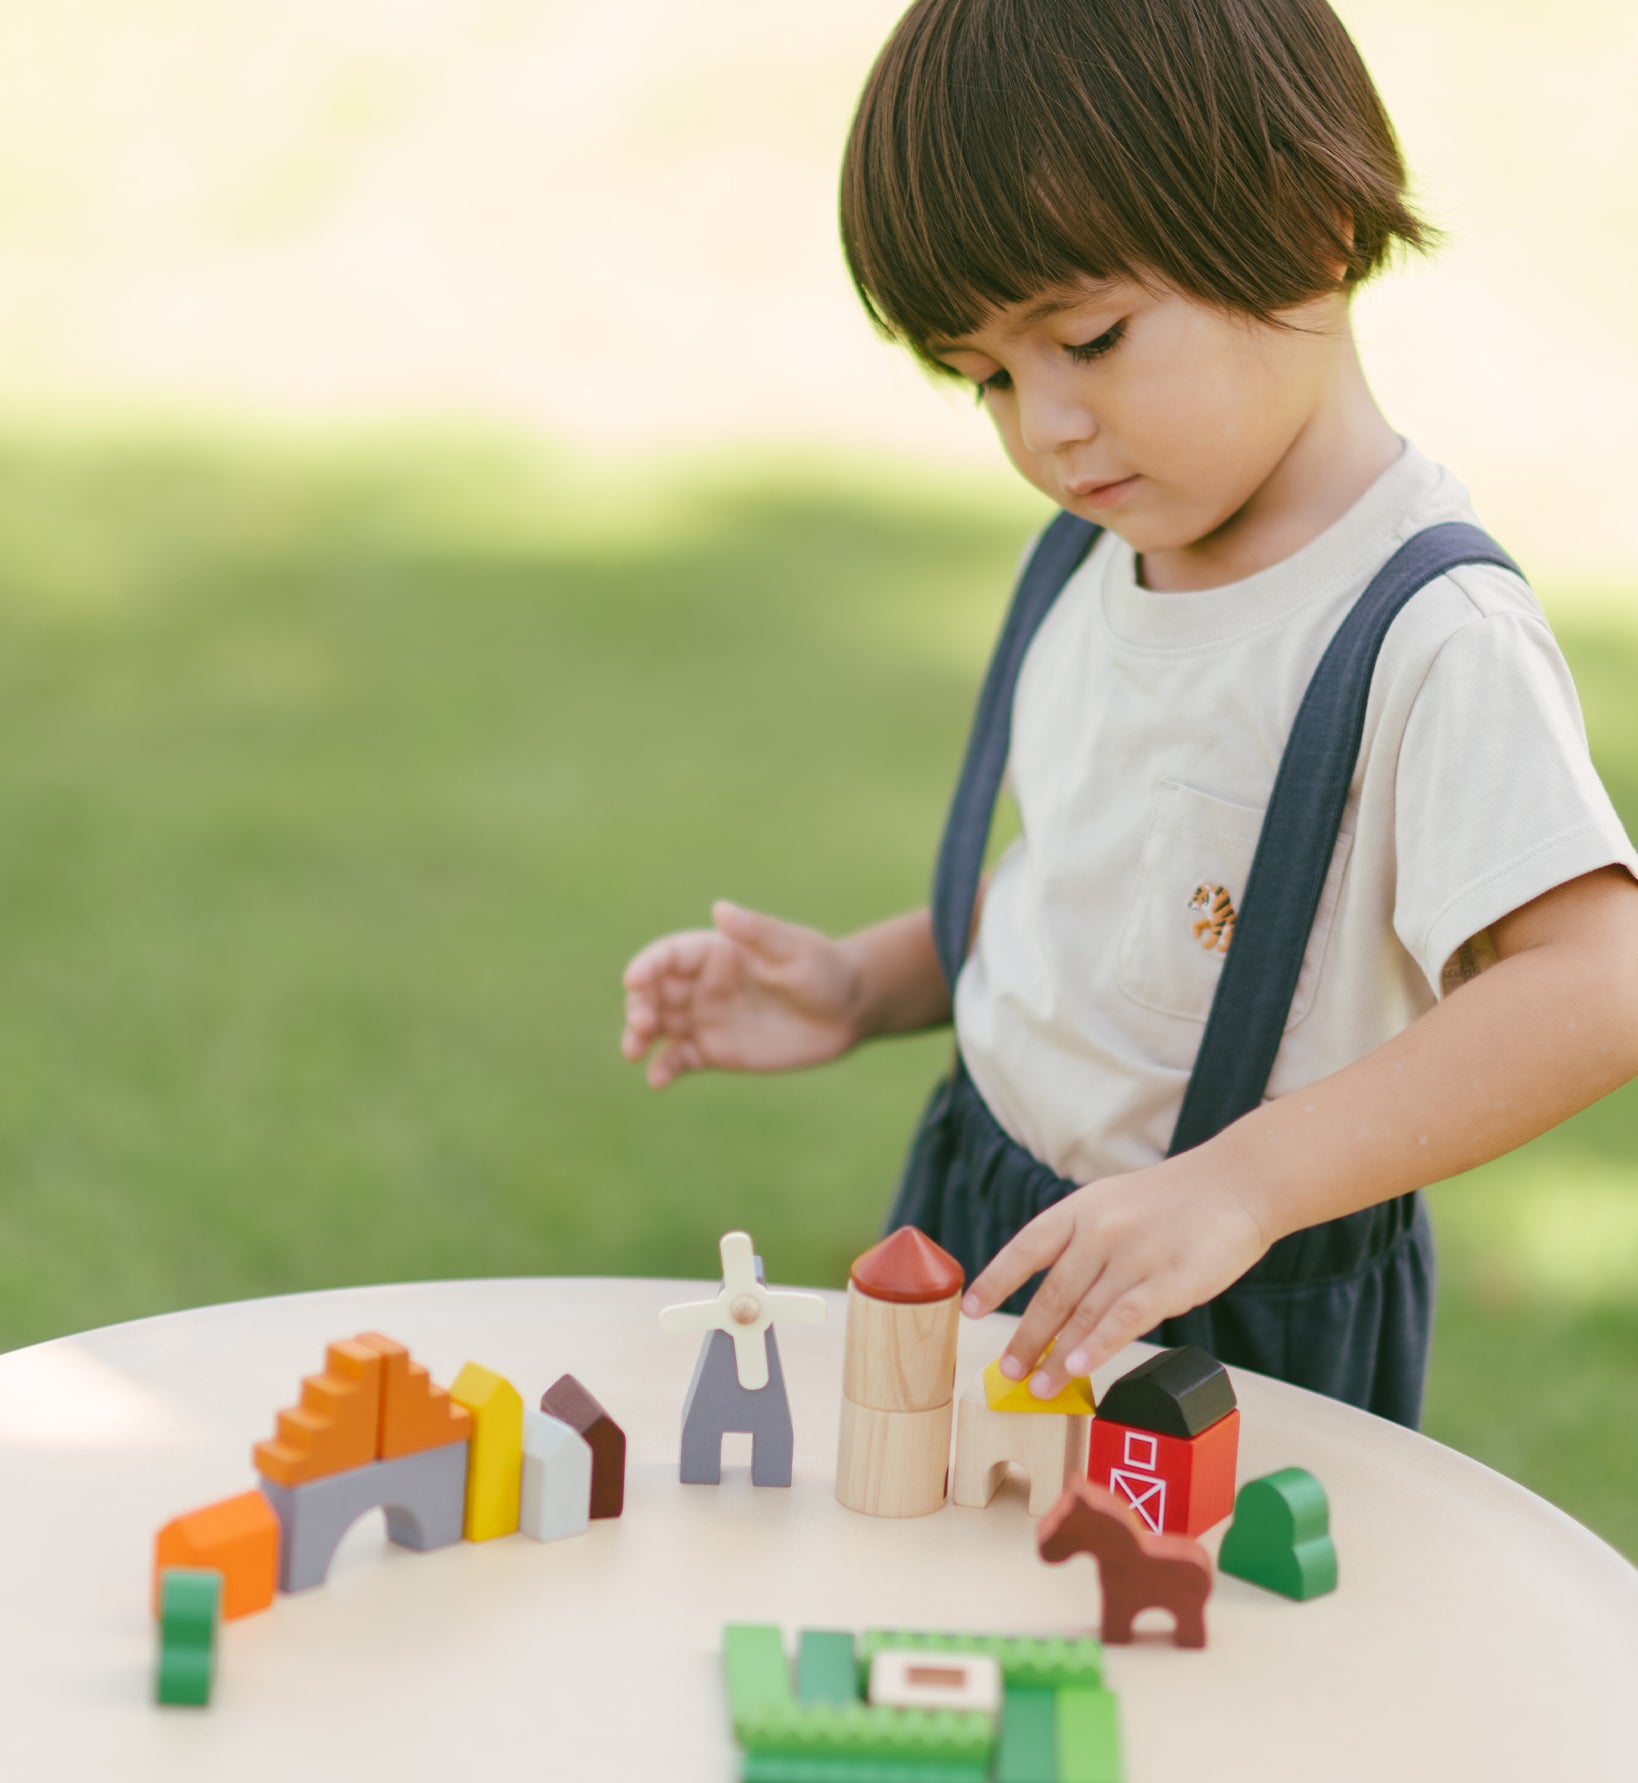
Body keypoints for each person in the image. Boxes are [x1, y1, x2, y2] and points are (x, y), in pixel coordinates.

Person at [619, 0, 1638, 1427]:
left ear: (1307, 227)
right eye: (982, 377)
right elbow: (1111, 903)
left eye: (1086, 338)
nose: (1044, 427)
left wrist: (1237, 1187)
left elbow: (1594, 986)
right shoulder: (1102, 553)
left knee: (1162, 1642)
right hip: (983, 1195)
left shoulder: (1423, 631)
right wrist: (863, 985)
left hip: (1226, 1296)